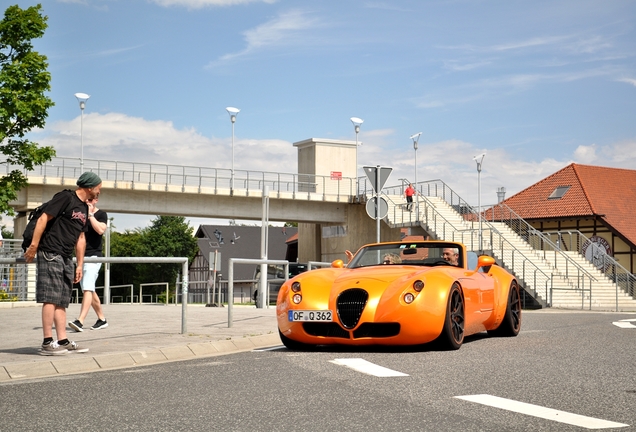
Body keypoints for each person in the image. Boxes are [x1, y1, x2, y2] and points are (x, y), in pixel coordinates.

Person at [24, 172, 102, 356]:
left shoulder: (84, 208)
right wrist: (34, 245)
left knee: (61, 300)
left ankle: (63, 340)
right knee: (50, 298)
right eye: (98, 187)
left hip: (66, 256)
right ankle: (47, 342)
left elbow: (81, 238)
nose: (100, 191)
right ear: (90, 187)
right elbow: (43, 218)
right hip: (50, 251)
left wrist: (80, 264)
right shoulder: (66, 197)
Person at [69, 196, 108, 332]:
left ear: (96, 200)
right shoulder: (81, 215)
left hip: (94, 256)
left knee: (87, 288)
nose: (88, 202)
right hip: (81, 257)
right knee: (89, 289)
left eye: (91, 200)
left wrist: (91, 215)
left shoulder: (101, 214)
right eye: (86, 200)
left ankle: (80, 321)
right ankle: (102, 319)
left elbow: (101, 229)